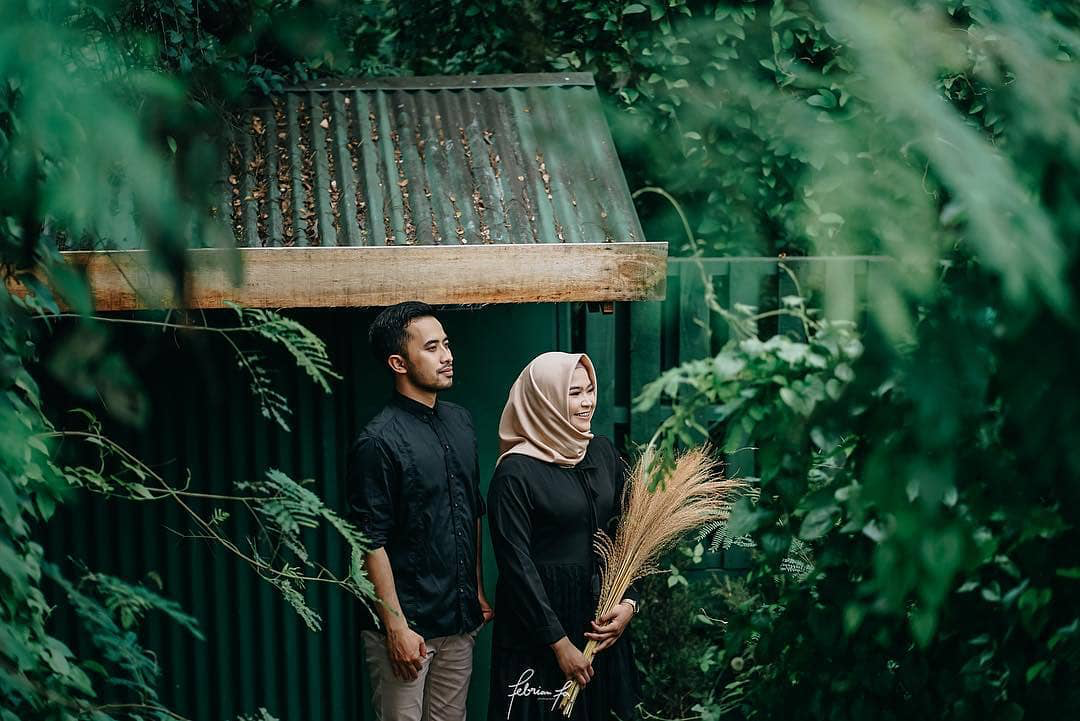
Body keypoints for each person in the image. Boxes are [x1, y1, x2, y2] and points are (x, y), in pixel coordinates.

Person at [348, 301, 493, 721]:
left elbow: (471, 510)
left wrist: (476, 590)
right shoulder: (377, 441)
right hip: (408, 629)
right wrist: (395, 627)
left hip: (459, 619)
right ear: (398, 362)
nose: (447, 356)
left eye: (446, 344)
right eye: (432, 348)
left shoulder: (461, 422)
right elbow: (369, 541)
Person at [487, 351, 639, 721]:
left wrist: (629, 603)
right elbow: (515, 565)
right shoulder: (515, 473)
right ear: (544, 399)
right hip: (539, 627)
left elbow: (630, 533)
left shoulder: (602, 452)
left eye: (589, 390)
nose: (587, 402)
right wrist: (558, 643)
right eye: (573, 393)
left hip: (599, 620)